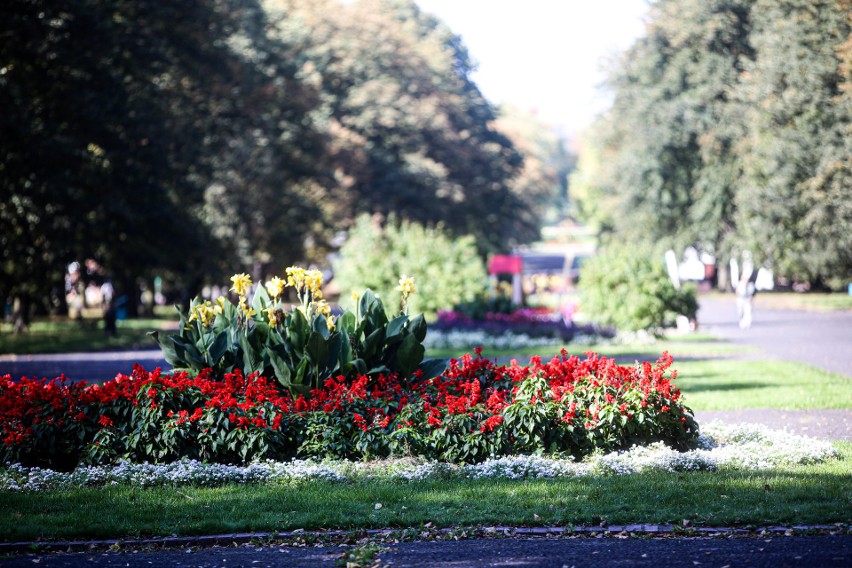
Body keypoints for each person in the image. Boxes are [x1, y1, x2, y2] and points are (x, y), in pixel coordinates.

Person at [735, 263, 757, 329]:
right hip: (741, 299)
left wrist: (752, 297)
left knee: (748, 312)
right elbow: (737, 292)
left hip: (747, 300)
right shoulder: (740, 284)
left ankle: (746, 324)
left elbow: (753, 292)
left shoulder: (750, 285)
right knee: (740, 311)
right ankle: (741, 321)